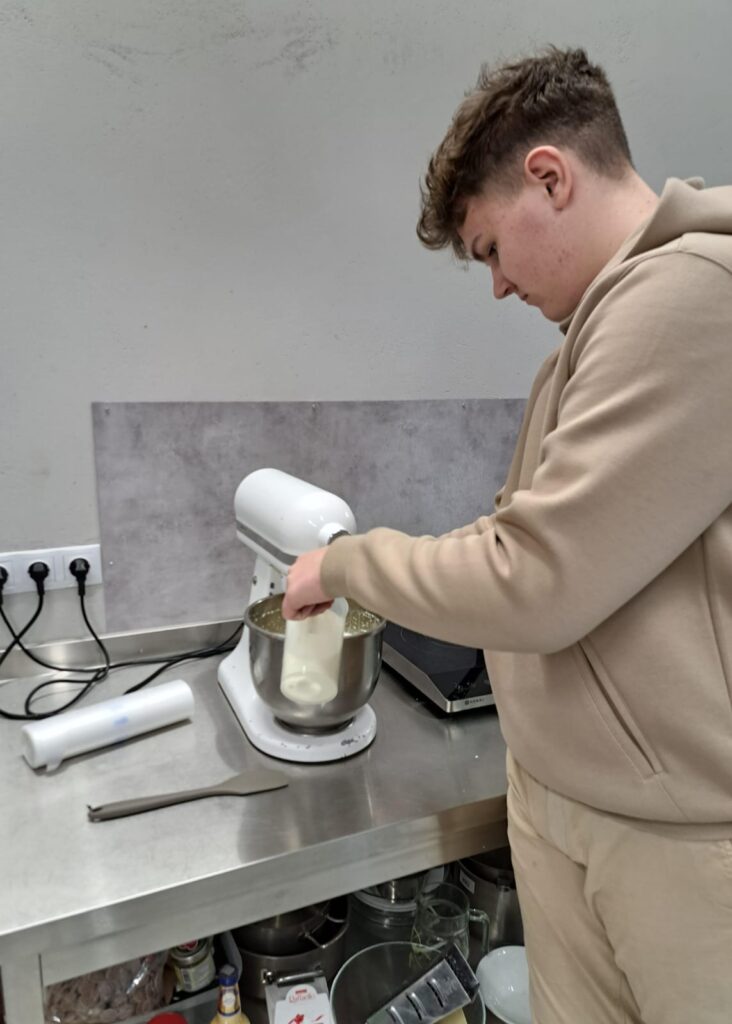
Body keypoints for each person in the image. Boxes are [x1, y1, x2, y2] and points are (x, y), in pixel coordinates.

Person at [282, 46, 732, 1023]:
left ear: (550, 177)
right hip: (572, 803)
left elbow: (536, 575)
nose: (496, 286)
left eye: (489, 249)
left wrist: (346, 564)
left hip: (675, 842)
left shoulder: (691, 295)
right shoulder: (587, 341)